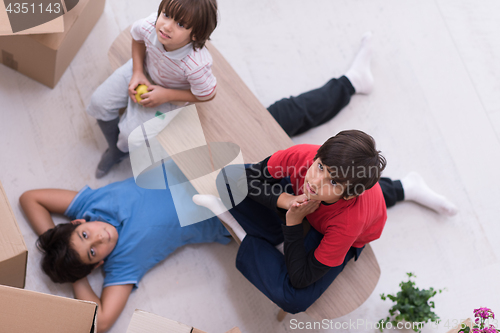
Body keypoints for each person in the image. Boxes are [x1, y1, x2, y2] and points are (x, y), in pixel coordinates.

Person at [192, 34, 458, 313]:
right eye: (320, 167)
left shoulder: (348, 224)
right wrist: (286, 202)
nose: (314, 181)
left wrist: (294, 223)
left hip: (352, 221)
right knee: (227, 181)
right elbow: (241, 178)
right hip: (332, 199)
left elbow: (301, 277)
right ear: (318, 155)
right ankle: (405, 186)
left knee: (294, 298)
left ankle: (245, 230)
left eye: (332, 181)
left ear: (347, 193)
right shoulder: (305, 157)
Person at [19, 171, 231, 333]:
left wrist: (54, 239)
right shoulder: (123, 263)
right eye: (93, 252)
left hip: (195, 161)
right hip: (230, 207)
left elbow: (30, 198)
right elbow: (100, 321)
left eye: (84, 234)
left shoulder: (91, 205)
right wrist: (76, 275)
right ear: (96, 264)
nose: (99, 237)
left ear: (78, 222)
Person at [87, 0, 218, 178]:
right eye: (166, 15)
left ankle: (117, 152)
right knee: (99, 103)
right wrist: (138, 71)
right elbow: (137, 39)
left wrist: (166, 95)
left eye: (180, 24)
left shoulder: (196, 65)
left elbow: (207, 94)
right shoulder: (150, 25)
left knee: (129, 137)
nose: (166, 26)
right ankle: (115, 148)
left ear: (196, 34)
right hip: (144, 69)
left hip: (171, 94)